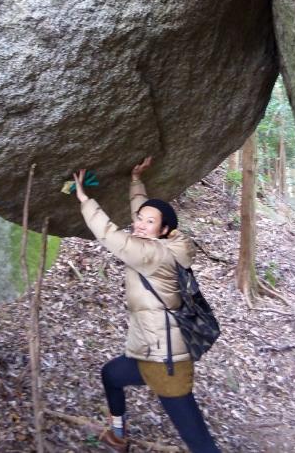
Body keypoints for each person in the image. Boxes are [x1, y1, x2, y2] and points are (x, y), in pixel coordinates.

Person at [72, 157, 220, 453]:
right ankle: (118, 435)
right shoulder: (164, 243)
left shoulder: (153, 255)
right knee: (111, 375)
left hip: (167, 363)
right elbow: (143, 216)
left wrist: (84, 199)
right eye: (140, 218)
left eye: (148, 221)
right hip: (149, 354)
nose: (139, 223)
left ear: (164, 231)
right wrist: (136, 180)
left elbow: (112, 237)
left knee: (200, 444)